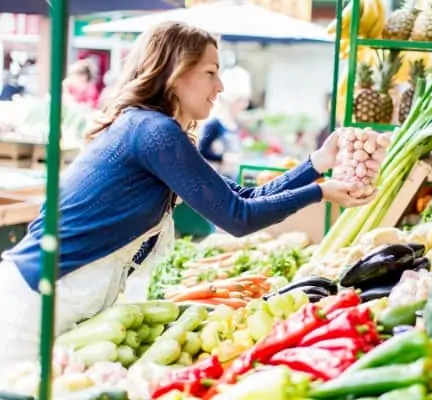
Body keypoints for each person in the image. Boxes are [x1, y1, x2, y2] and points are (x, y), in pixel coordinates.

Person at [0, 21, 374, 373]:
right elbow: (238, 218)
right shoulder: (153, 131)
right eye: (211, 72)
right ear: (176, 74)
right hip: (32, 306)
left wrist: (316, 163)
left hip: (57, 302)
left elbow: (238, 197)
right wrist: (319, 192)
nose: (221, 86)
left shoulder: (151, 129)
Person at [198, 66, 251, 178]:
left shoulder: (235, 124)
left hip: (232, 177)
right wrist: (222, 158)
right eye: (241, 100)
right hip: (218, 178)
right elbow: (201, 150)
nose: (244, 105)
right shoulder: (214, 124)